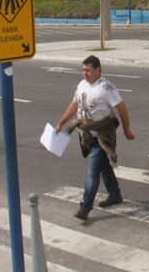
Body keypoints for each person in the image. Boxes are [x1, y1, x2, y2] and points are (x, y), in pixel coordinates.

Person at [55, 55, 135, 221]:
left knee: (93, 172)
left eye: (88, 70)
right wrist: (61, 123)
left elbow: (122, 109)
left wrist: (127, 130)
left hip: (101, 136)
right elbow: (74, 104)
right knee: (103, 165)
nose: (85, 73)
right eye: (83, 70)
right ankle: (115, 194)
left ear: (98, 70)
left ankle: (85, 207)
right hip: (86, 135)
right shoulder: (82, 84)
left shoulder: (106, 88)